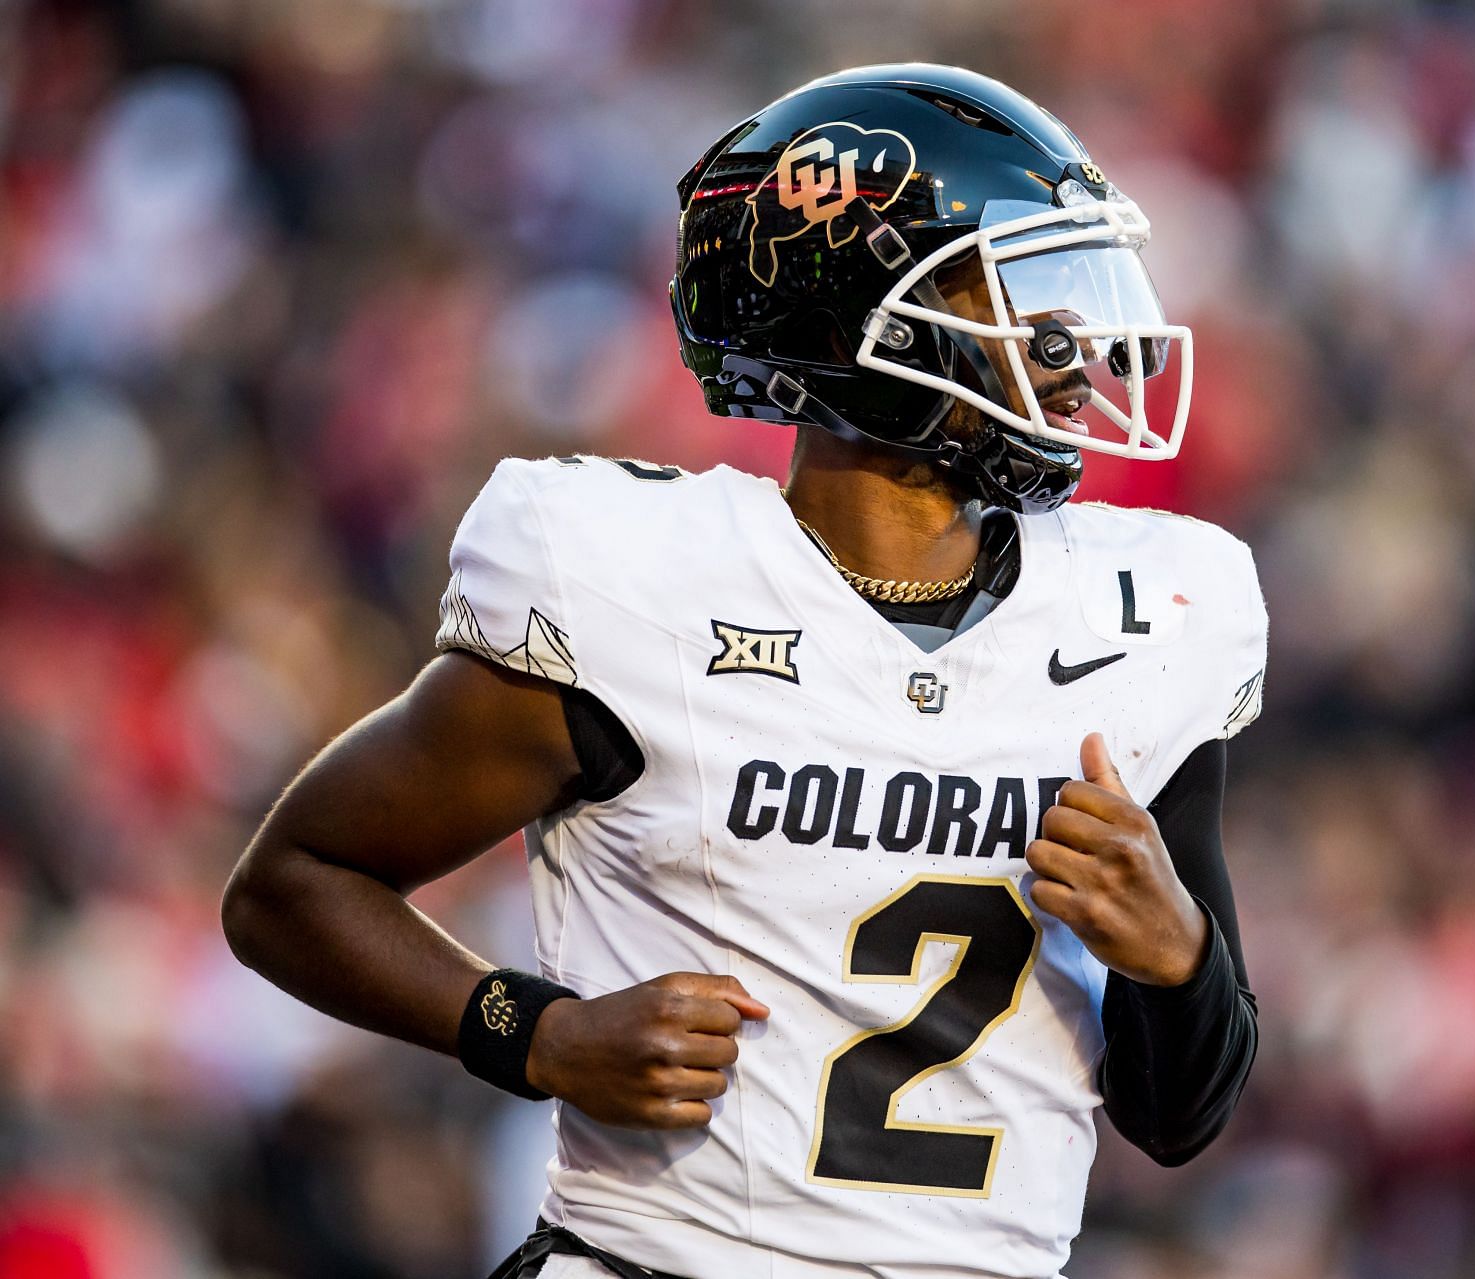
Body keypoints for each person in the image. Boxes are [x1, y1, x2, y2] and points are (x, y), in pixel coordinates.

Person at [222, 64, 1266, 1279]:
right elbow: (292, 883)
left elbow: (1181, 1116)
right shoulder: (636, 586)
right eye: (1018, 285)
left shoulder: (1144, 617)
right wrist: (535, 1034)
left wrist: (1176, 954)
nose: (1076, 346)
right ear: (852, 326)